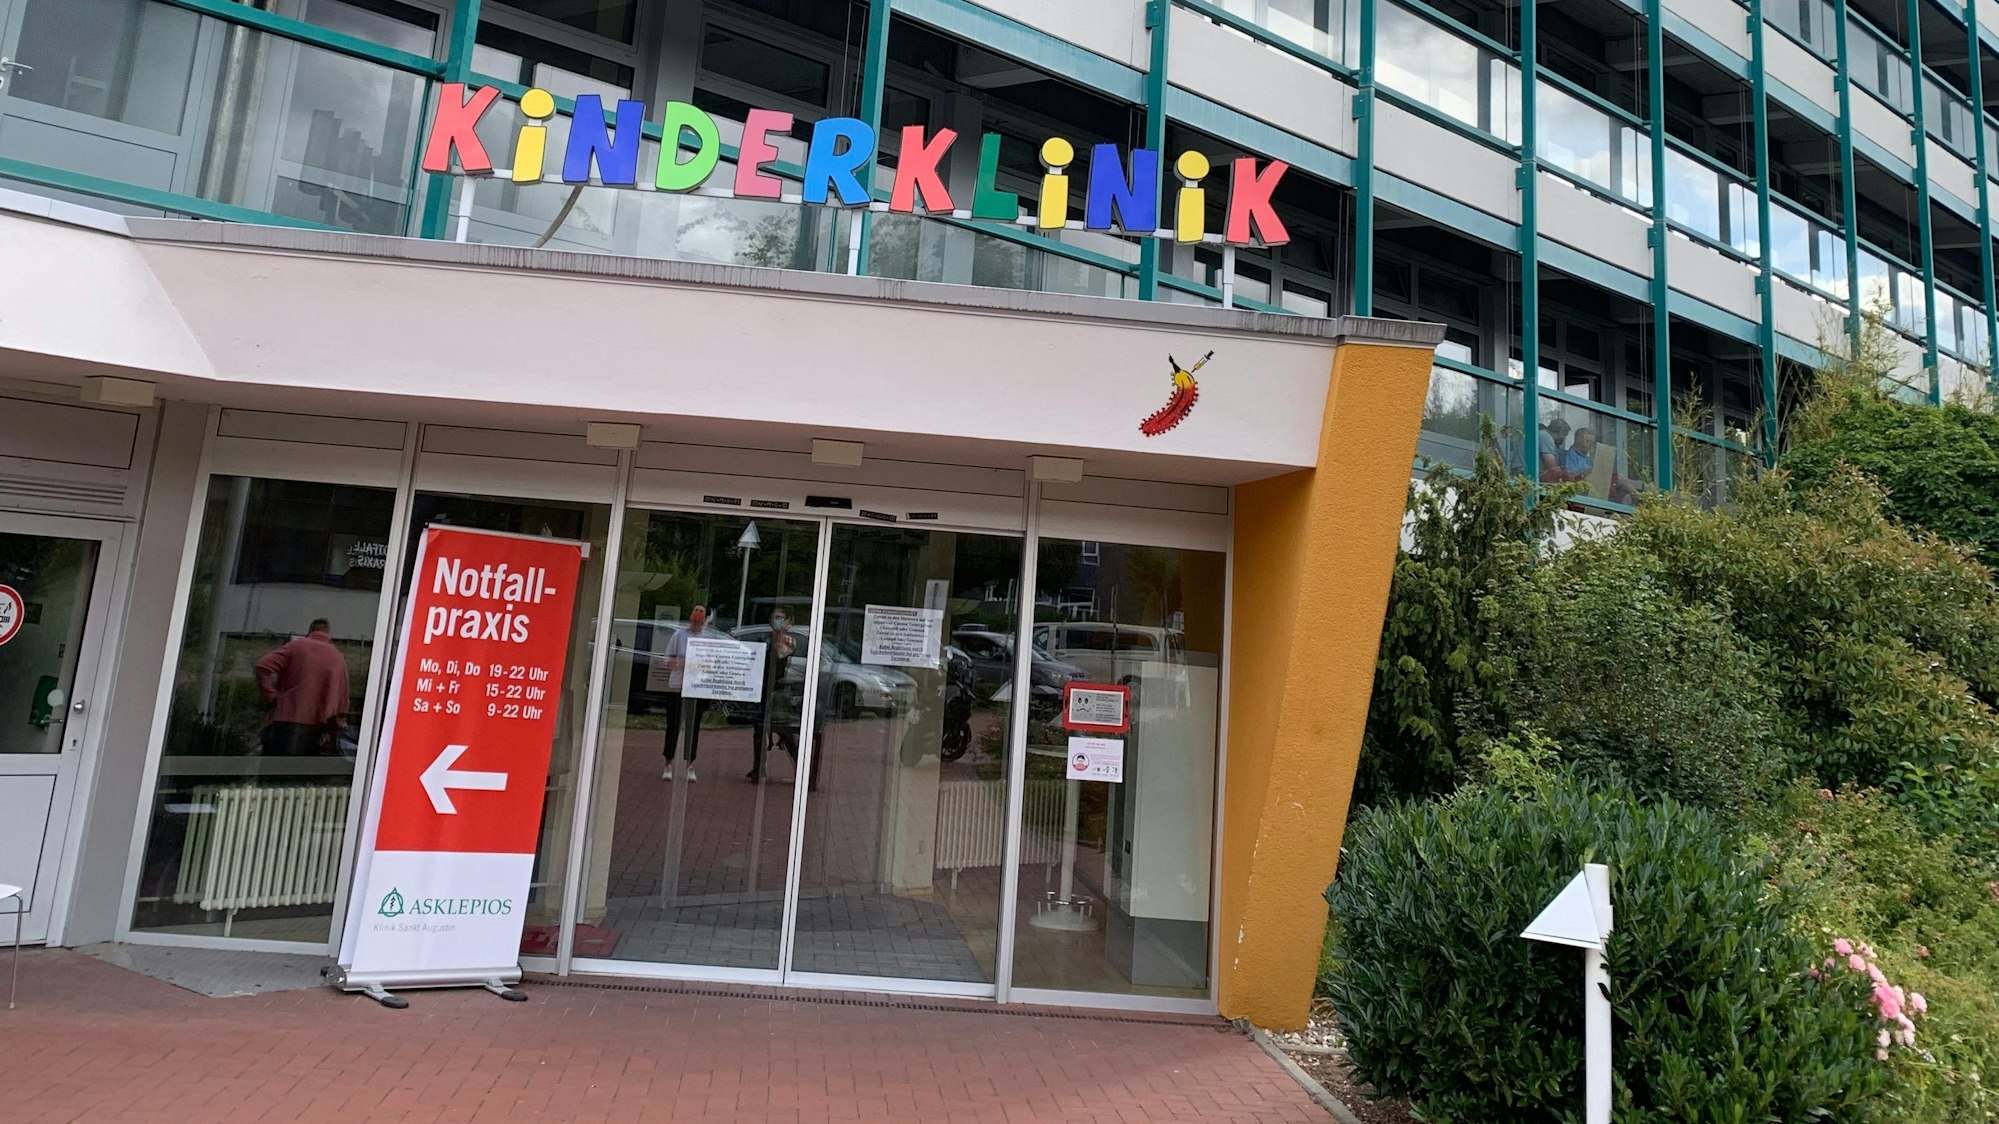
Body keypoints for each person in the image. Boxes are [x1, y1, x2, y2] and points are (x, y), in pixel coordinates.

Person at [254, 619, 350, 756]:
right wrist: (335, 728)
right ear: (328, 634)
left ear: (310, 631)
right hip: (316, 726)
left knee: (273, 771)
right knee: (300, 773)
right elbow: (342, 700)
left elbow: (262, 666)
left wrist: (271, 696)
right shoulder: (338, 658)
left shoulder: (296, 647)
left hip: (284, 719)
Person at [746, 608, 799, 783]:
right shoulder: (765, 640)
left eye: (781, 618)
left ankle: (800, 769)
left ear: (787, 621)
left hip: (778, 693)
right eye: (775, 618)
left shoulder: (790, 641)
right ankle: (758, 768)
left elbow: (780, 652)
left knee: (785, 732)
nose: (777, 621)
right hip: (763, 689)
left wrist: (780, 632)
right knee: (759, 730)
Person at [660, 605, 711, 781]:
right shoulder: (679, 635)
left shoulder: (707, 638)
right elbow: (666, 659)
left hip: (696, 688)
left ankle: (690, 764)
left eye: (701, 612)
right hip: (677, 686)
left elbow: (711, 663)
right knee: (673, 724)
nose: (697, 615)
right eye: (695, 611)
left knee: (692, 727)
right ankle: (668, 763)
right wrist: (680, 665)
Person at [1538, 416, 1575, 483]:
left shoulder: (1542, 434)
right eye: (1565, 435)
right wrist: (1566, 477)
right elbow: (1551, 464)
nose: (1564, 438)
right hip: (1523, 472)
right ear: (1561, 433)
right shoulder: (1546, 437)